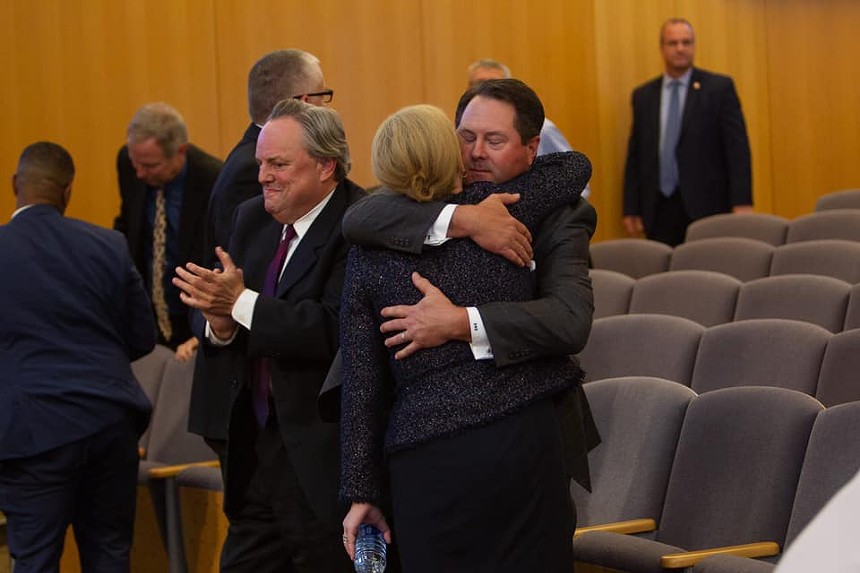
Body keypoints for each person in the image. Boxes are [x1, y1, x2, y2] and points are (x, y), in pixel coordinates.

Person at [334, 78, 600, 568]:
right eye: (466, 137)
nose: (476, 153)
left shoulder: (542, 214)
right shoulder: (389, 223)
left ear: (531, 147)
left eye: (494, 140)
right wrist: (465, 219)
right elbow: (360, 217)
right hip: (463, 447)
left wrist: (461, 322)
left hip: (497, 447)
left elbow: (568, 320)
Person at [173, 99, 363, 572]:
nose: (263, 177)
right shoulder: (252, 218)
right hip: (254, 450)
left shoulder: (357, 224)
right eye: (261, 163)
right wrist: (218, 325)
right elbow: (232, 318)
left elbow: (333, 328)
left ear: (326, 166)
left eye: (278, 164)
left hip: (324, 459)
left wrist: (236, 304)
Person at [0, 142, 156, 572]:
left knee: (35, 560)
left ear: (16, 185)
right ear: (67, 192)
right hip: (111, 423)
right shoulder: (108, 246)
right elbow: (143, 336)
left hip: (31, 434)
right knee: (109, 552)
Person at [190, 48, 332, 457]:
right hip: (251, 398)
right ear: (304, 104)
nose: (267, 175)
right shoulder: (250, 181)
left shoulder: (243, 160)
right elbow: (253, 285)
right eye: (324, 96)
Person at [622, 18, 753, 246]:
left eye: (686, 42)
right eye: (673, 43)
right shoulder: (644, 96)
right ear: (662, 48)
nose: (680, 48)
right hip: (658, 208)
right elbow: (636, 155)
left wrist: (742, 201)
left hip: (707, 206)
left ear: (694, 46)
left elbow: (737, 150)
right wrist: (631, 207)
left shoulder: (719, 89)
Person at [114, 102, 223, 359]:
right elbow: (127, 226)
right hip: (146, 316)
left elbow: (221, 257)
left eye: (150, 166)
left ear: (180, 152)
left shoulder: (213, 179)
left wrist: (205, 327)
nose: (139, 173)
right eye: (135, 163)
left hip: (192, 315)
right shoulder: (128, 163)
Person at [467, 59, 579, 166]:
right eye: (479, 84)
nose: (486, 91)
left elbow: (574, 175)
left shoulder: (541, 128)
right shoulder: (461, 125)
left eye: (495, 141)